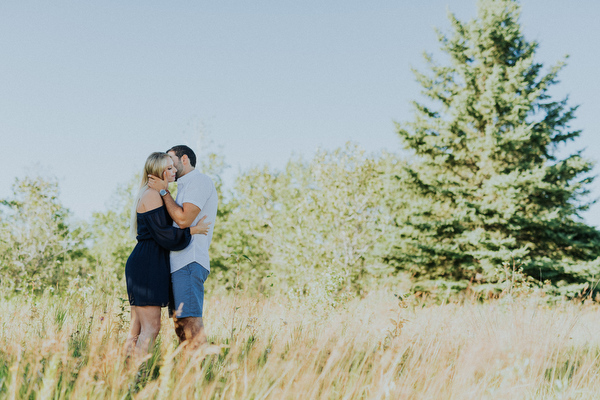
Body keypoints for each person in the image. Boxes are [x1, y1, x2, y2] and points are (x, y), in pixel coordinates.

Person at [124, 152, 211, 355]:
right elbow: (164, 236)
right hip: (147, 264)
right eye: (169, 168)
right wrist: (192, 230)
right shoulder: (153, 194)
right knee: (151, 328)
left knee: (136, 329)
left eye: (173, 167)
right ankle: (136, 374)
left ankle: (126, 377)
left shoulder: (150, 193)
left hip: (145, 262)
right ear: (157, 171)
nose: (174, 171)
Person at [147, 145, 218, 349]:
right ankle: (188, 373)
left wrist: (162, 191)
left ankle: (203, 372)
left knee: (190, 322)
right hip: (178, 263)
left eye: (171, 161)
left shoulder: (199, 181)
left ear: (184, 159)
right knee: (180, 324)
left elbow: (184, 219)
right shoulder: (184, 187)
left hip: (189, 260)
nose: (169, 166)